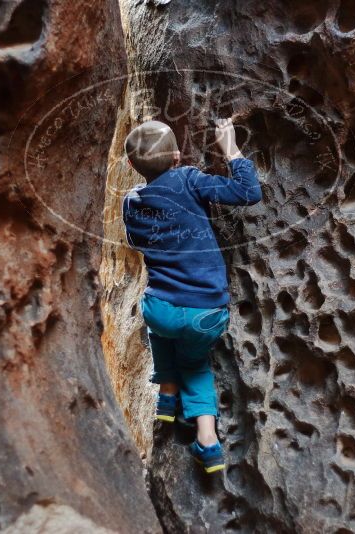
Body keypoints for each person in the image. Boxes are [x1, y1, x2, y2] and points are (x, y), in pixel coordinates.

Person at [121, 118, 261, 473]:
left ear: (130, 166)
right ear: (178, 157)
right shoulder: (189, 179)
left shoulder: (132, 201)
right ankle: (208, 441)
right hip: (205, 313)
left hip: (161, 309)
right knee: (196, 366)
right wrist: (230, 148)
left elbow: (136, 241)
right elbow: (248, 192)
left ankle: (166, 392)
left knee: (159, 326)